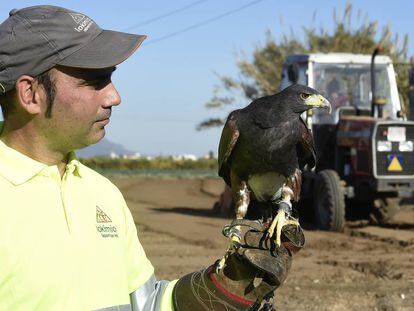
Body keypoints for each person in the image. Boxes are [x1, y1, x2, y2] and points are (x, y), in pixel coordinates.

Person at [0, 5, 303, 310]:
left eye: (111, 78)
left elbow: (144, 304)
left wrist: (222, 289)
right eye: (94, 81)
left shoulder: (102, 193)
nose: (114, 96)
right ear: (30, 94)